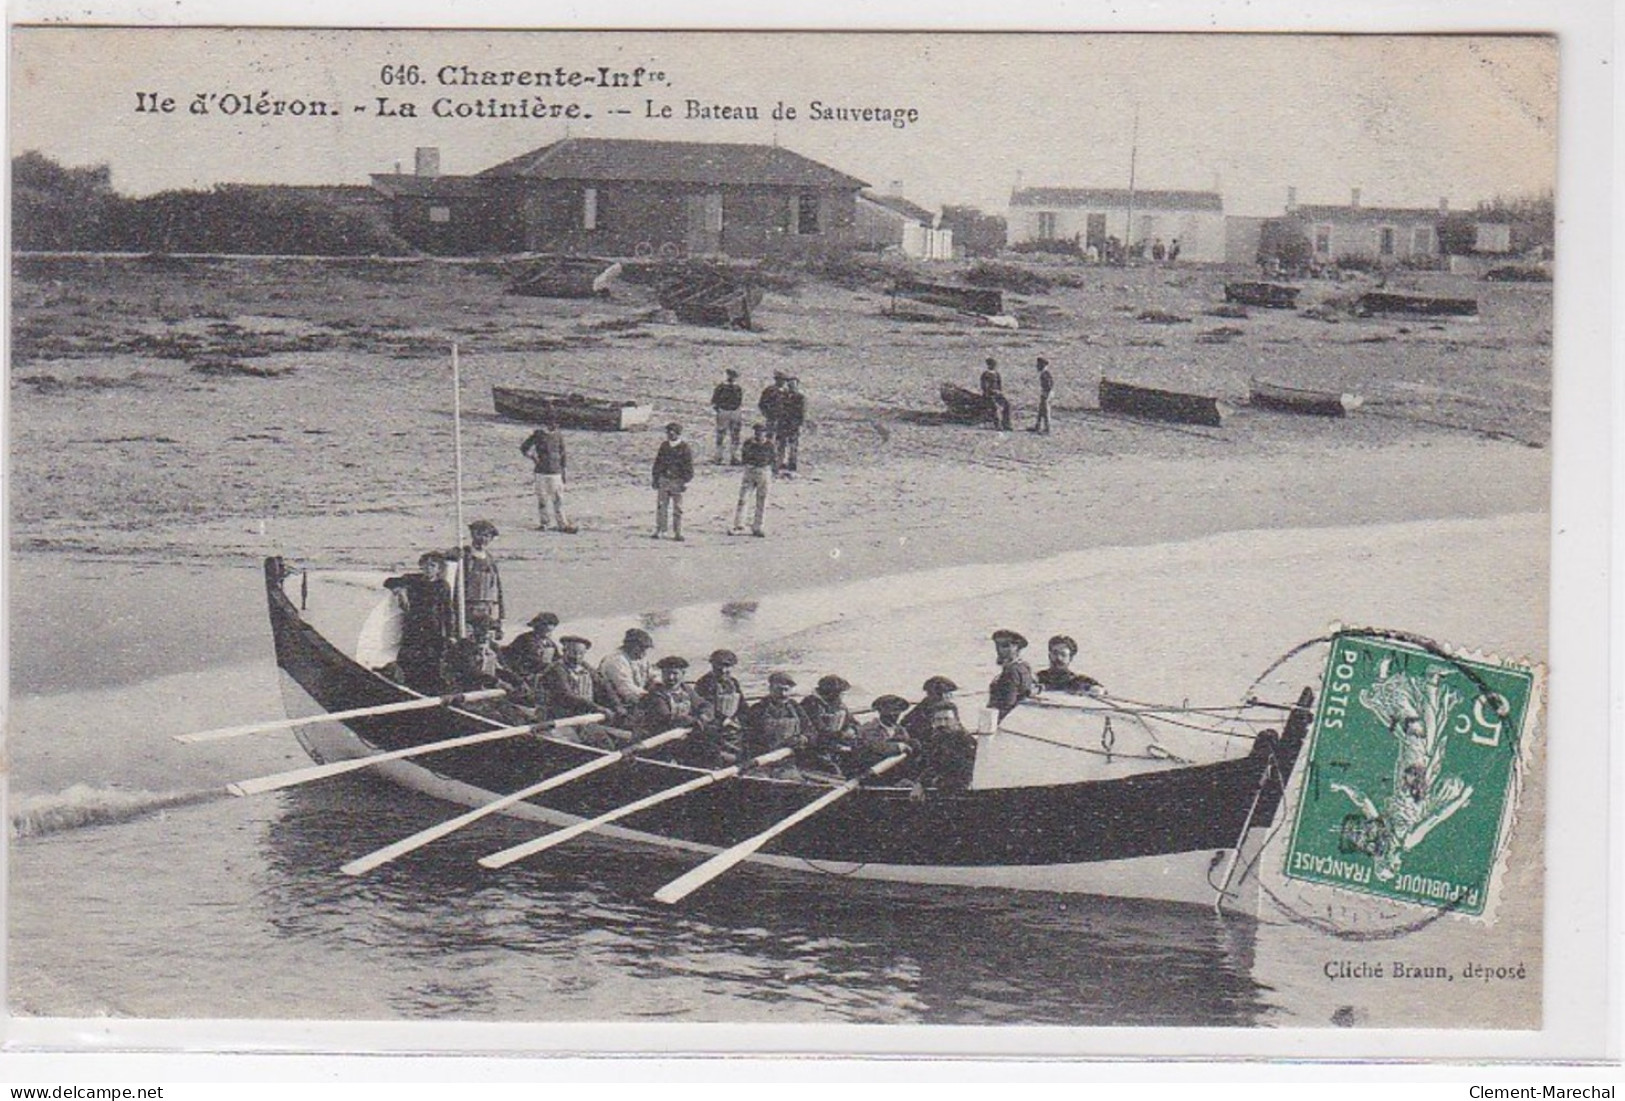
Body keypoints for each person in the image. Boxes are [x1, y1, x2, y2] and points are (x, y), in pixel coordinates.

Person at [382, 551, 455, 693]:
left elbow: (448, 611)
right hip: (413, 626)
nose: (428, 569)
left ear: (439, 569)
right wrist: (400, 591)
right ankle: (408, 687)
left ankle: (428, 691)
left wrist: (450, 633)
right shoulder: (413, 580)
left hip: (433, 628)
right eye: (425, 565)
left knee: (432, 661)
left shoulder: (443, 585)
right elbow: (389, 582)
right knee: (409, 658)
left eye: (433, 565)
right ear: (421, 566)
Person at [901, 677, 976, 793]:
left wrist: (924, 783)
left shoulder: (962, 739)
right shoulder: (925, 713)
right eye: (945, 694)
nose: (942, 723)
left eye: (946, 719)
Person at [519, 412, 577, 534]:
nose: (554, 426)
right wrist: (533, 458)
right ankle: (546, 523)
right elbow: (524, 447)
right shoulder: (539, 434)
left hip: (554, 472)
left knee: (557, 499)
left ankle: (560, 523)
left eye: (556, 423)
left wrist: (563, 472)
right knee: (543, 499)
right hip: (543, 472)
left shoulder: (558, 436)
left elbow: (563, 455)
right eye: (552, 423)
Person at [450, 520, 504, 642]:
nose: (483, 539)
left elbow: (497, 588)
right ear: (473, 534)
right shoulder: (465, 554)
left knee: (484, 640)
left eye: (487, 536)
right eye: (480, 534)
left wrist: (500, 618)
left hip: (486, 607)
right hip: (466, 606)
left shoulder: (490, 559)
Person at [690, 649, 745, 766]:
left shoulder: (734, 683)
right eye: (719, 666)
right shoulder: (704, 683)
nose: (724, 670)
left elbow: (742, 706)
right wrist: (724, 720)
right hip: (711, 724)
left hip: (732, 725)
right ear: (712, 665)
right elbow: (705, 706)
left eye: (727, 666)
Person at [740, 671, 811, 761]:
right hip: (763, 757)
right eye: (779, 690)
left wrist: (803, 738)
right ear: (770, 689)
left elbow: (809, 729)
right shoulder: (759, 709)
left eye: (786, 690)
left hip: (790, 756)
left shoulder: (795, 707)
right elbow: (748, 737)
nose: (783, 694)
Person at [499, 611, 561, 708]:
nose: (547, 633)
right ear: (537, 627)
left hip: (543, 673)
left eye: (550, 631)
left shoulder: (550, 643)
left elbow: (557, 658)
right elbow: (525, 659)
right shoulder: (525, 639)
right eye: (544, 629)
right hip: (525, 674)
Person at [800, 673, 858, 774]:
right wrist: (842, 736)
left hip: (835, 745)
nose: (842, 696)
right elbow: (818, 731)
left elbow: (854, 723)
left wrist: (852, 729)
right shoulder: (811, 704)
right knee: (833, 770)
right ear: (831, 693)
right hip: (815, 749)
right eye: (841, 693)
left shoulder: (839, 705)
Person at [635, 655, 703, 737]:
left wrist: (704, 715)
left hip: (683, 731)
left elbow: (703, 704)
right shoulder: (656, 693)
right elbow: (667, 718)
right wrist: (693, 720)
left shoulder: (686, 689)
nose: (671, 678)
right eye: (667, 673)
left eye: (675, 673)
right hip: (662, 736)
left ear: (683, 674)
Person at [848, 694, 917, 774]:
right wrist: (899, 747)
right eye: (890, 710)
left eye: (897, 710)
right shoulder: (869, 728)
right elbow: (875, 746)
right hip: (869, 770)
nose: (894, 714)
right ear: (881, 710)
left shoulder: (901, 730)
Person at [650, 422, 694, 541]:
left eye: (673, 432)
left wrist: (685, 481)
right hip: (664, 479)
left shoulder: (685, 448)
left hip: (677, 481)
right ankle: (660, 529)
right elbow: (657, 463)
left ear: (678, 434)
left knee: (678, 508)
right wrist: (655, 478)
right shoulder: (664, 446)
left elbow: (688, 467)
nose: (670, 434)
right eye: (668, 432)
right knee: (661, 506)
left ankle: (677, 531)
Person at [730, 422, 775, 537]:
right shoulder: (749, 443)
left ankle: (758, 526)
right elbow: (744, 457)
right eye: (757, 432)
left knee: (762, 500)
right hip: (750, 470)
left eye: (762, 432)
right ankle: (739, 525)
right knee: (743, 499)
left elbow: (772, 459)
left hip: (763, 471)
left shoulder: (769, 445)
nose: (759, 434)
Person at [987, 628, 1037, 720]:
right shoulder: (1024, 666)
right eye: (997, 645)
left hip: (1003, 720)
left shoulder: (1011, 671)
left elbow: (1008, 704)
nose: (999, 650)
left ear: (1017, 648)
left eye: (1005, 646)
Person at [1036, 634, 1104, 695]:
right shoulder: (1038, 678)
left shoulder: (1079, 681)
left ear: (1070, 658)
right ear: (1049, 655)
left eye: (1063, 655)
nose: (1058, 658)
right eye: (1055, 653)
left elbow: (1101, 691)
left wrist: (1095, 690)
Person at [710, 367, 745, 465]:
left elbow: (739, 400)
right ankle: (718, 456)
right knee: (721, 435)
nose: (732, 378)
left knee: (735, 435)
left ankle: (734, 457)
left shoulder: (737, 388)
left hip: (735, 412)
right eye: (730, 375)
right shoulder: (721, 387)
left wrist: (737, 410)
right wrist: (720, 410)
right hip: (723, 412)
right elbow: (714, 400)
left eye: (734, 376)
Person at [777, 376, 806, 474]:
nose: (791, 387)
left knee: (793, 444)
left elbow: (801, 412)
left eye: (793, 385)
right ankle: (780, 462)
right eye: (789, 385)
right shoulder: (783, 395)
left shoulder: (800, 397)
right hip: (783, 423)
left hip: (793, 424)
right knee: (781, 444)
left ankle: (792, 462)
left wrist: (798, 424)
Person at [980, 357, 1012, 431]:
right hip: (988, 395)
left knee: (1007, 404)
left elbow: (999, 385)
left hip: (997, 393)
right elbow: (984, 386)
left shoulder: (997, 374)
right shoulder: (985, 374)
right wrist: (990, 392)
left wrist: (999, 392)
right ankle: (997, 425)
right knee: (994, 407)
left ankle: (1006, 423)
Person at [758, 371, 789, 445]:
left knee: (782, 438)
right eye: (781, 380)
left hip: (783, 419)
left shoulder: (786, 392)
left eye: (784, 380)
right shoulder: (770, 390)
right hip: (772, 417)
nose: (782, 382)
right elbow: (762, 403)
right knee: (770, 436)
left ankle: (780, 454)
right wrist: (767, 413)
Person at [1030, 356, 1054, 435]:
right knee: (1041, 411)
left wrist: (1046, 394)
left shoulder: (1045, 373)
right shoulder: (1045, 373)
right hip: (1046, 393)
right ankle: (1038, 426)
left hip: (1046, 393)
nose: (1037, 366)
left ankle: (1047, 429)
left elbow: (1049, 385)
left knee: (1045, 411)